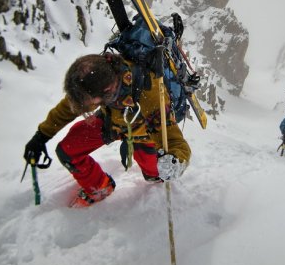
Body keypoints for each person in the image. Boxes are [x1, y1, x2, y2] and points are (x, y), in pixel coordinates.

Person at [23, 53, 191, 207]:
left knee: (155, 174)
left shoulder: (150, 93)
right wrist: (41, 136)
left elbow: (174, 141)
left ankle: (153, 172)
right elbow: (69, 107)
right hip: (112, 122)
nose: (85, 105)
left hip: (146, 133)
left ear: (108, 90)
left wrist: (174, 161)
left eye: (90, 101)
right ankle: (100, 187)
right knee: (68, 150)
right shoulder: (93, 81)